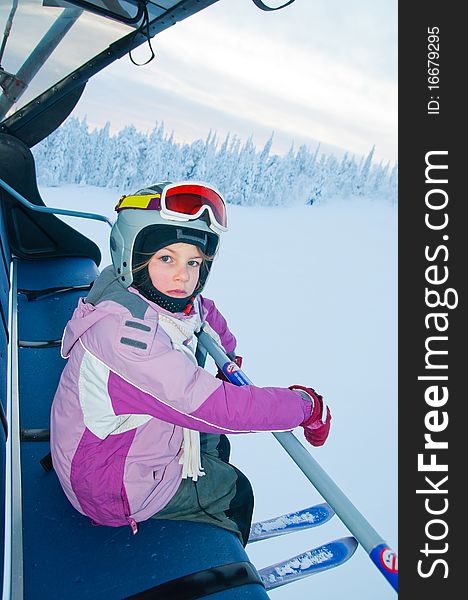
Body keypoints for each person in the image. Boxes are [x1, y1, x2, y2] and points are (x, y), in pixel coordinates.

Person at [50, 181, 332, 546]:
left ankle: (200, 488)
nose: (183, 275)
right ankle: (225, 562)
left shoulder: (131, 290)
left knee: (215, 440)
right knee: (234, 488)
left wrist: (228, 357)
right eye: (167, 258)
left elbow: (200, 311)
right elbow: (219, 408)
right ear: (132, 256)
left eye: (193, 262)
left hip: (108, 453)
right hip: (110, 490)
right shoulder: (127, 341)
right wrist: (305, 407)